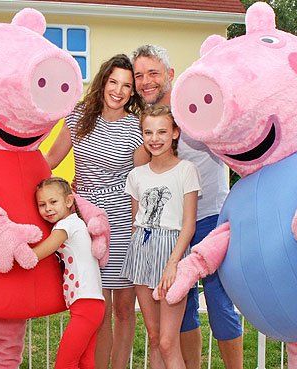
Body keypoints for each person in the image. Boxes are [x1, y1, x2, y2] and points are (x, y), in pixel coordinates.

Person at [132, 44, 244, 369]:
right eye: (139, 75)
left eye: (153, 72)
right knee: (181, 306)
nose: (146, 81)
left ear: (169, 74)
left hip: (208, 217)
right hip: (170, 228)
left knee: (220, 301)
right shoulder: (149, 122)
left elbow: (237, 139)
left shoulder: (193, 107)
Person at [45, 54, 147, 369]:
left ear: (133, 92)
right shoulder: (78, 117)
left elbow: (140, 185)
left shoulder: (136, 128)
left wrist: (137, 230)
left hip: (123, 223)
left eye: (127, 86)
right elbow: (48, 161)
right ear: (103, 81)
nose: (119, 90)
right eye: (114, 81)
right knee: (97, 309)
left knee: (124, 311)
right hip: (86, 224)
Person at [121, 105, 199, 369]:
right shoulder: (136, 176)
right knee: (154, 338)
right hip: (142, 251)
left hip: (172, 252)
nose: (155, 138)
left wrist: (173, 263)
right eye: (148, 132)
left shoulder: (186, 170)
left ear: (175, 133)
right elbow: (136, 221)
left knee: (168, 341)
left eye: (162, 132)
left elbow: (188, 225)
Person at [30, 177, 105, 369]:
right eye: (42, 204)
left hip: (86, 304)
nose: (47, 208)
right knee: (85, 362)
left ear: (69, 201)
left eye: (53, 202)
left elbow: (38, 254)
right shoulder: (76, 223)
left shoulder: (67, 226)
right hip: (92, 305)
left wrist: (11, 251)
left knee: (65, 364)